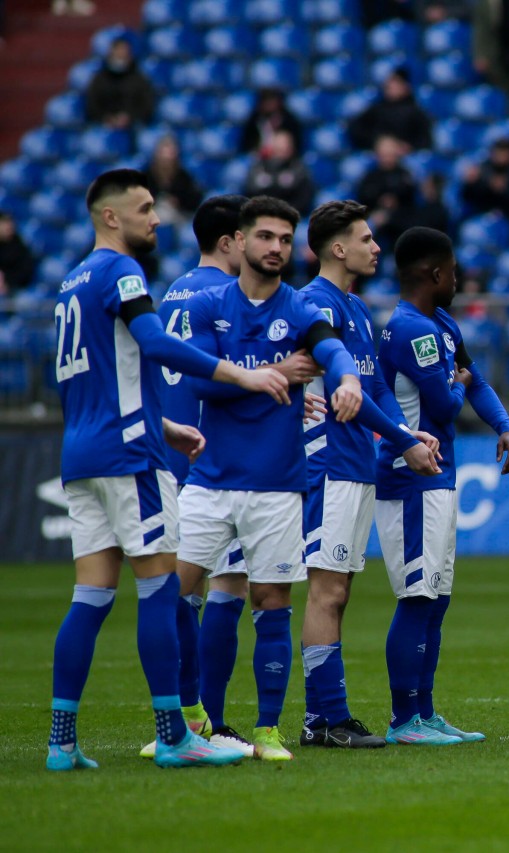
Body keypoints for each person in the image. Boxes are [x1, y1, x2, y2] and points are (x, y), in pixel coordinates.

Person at [45, 169, 287, 771]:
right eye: (146, 208)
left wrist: (165, 424)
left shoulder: (68, 284)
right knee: (161, 590)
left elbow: (93, 378)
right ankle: (174, 732)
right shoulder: (121, 270)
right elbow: (153, 343)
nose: (156, 219)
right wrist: (243, 374)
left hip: (82, 455)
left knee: (90, 598)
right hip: (130, 459)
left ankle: (61, 740)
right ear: (111, 216)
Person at [175, 196, 422, 761]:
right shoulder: (236, 303)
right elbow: (198, 379)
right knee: (206, 592)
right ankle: (206, 717)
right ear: (241, 242)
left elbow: (341, 360)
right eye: (265, 237)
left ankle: (265, 725)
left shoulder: (336, 308)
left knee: (269, 595)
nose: (276, 248)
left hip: (293, 475)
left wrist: (388, 420)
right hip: (296, 468)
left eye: (284, 239)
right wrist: (272, 375)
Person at [297, 201, 444, 750]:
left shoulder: (354, 307)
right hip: (329, 463)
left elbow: (376, 386)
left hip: (356, 463)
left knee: (339, 589)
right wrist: (404, 442)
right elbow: (348, 397)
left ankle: (328, 717)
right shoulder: (316, 304)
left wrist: (408, 432)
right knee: (326, 591)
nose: (376, 248)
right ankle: (323, 719)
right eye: (366, 239)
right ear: (338, 249)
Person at [378, 226, 509, 745]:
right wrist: (456, 384)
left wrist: (504, 424)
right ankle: (403, 721)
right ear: (434, 274)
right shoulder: (410, 329)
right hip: (410, 479)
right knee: (416, 597)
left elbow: (474, 379)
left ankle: (426, 713)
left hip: (440, 477)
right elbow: (444, 406)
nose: (459, 281)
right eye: (454, 272)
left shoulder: (439, 321)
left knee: (435, 599)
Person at [135, 195, 251, 760]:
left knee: (181, 589)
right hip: (216, 459)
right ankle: (208, 719)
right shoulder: (225, 299)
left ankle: (180, 714)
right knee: (227, 587)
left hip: (169, 454)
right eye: (251, 235)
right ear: (231, 241)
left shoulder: (172, 291)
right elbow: (229, 378)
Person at [357, 135, 422, 251]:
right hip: (375, 218)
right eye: (384, 154)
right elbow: (364, 198)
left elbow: (410, 198)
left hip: (401, 219)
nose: (387, 158)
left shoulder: (405, 175)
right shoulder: (370, 176)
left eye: (390, 154)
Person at [349, 67, 434, 152]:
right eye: (389, 84)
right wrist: (378, 142)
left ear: (406, 86)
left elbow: (425, 139)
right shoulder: (377, 110)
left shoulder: (416, 112)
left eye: (396, 83)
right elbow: (357, 129)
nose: (390, 86)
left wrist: (408, 147)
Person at [85, 36, 155, 129]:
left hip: (132, 128)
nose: (120, 54)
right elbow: (93, 105)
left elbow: (146, 106)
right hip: (103, 127)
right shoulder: (100, 79)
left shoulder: (139, 79)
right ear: (111, 53)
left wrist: (129, 117)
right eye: (118, 51)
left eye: (123, 51)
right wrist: (107, 118)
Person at [243, 130, 315, 217]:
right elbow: (250, 192)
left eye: (284, 147)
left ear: (291, 148)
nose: (281, 150)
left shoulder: (299, 169)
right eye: (278, 148)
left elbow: (304, 196)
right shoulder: (258, 168)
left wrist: (286, 213)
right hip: (262, 215)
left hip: (291, 216)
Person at [461, 139, 509, 221]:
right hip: (484, 212)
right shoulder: (485, 168)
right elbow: (470, 196)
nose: (501, 157)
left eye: (504, 154)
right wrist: (471, 184)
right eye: (498, 153)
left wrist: (506, 189)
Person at [145, 135, 203, 226]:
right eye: (163, 156)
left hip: (178, 217)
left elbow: (193, 203)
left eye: (170, 156)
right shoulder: (146, 176)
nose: (166, 161)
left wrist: (178, 203)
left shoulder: (184, 178)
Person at [239, 87, 305, 157]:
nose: (269, 103)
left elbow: (296, 144)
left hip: (284, 160)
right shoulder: (254, 120)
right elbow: (247, 144)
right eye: (266, 100)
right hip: (260, 159)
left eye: (272, 99)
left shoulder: (289, 120)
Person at [0, 210, 35, 295]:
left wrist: (7, 283)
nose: (9, 226)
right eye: (4, 223)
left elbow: (25, 271)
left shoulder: (19, 245)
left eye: (9, 223)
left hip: (14, 289)